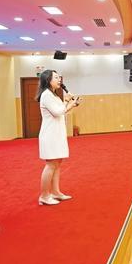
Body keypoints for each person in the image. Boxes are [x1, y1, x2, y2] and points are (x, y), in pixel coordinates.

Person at [36, 70, 79, 206]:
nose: (59, 79)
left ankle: (55, 192)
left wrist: (66, 101)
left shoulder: (54, 95)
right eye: (56, 77)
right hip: (50, 135)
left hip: (56, 133)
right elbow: (57, 112)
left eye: (59, 77)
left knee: (57, 164)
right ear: (48, 80)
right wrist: (70, 104)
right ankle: (44, 195)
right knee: (51, 165)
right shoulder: (46, 95)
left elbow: (61, 110)